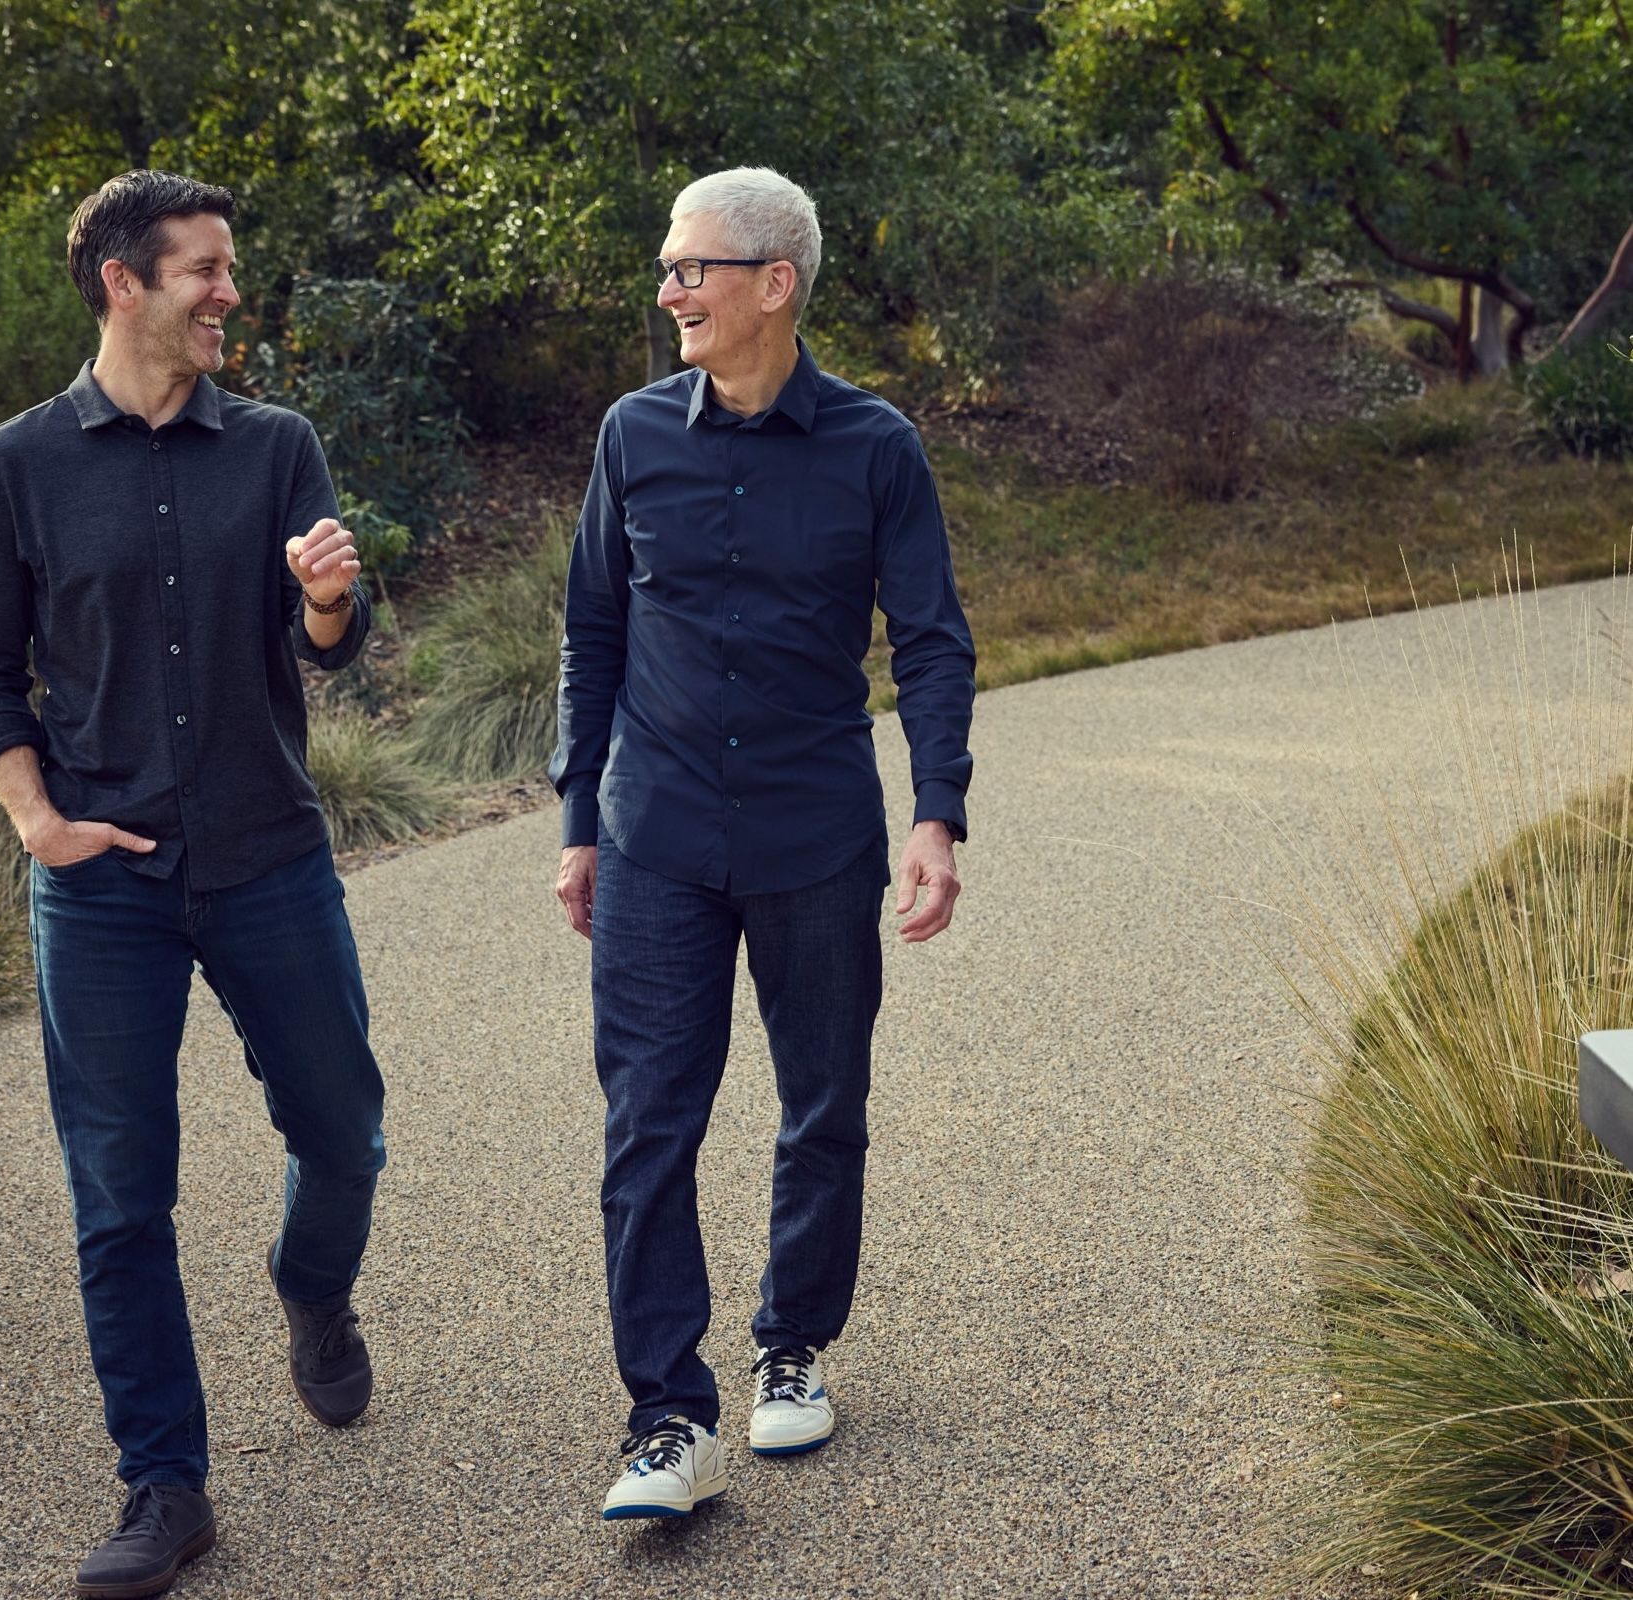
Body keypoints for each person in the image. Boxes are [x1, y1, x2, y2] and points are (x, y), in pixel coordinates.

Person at [0, 169, 387, 1599]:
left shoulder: (276, 447)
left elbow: (329, 640)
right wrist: (37, 822)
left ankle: (312, 1294)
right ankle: (165, 1486)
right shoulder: (10, 466)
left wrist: (326, 595)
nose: (228, 295)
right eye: (202, 269)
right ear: (121, 282)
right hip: (103, 886)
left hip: (267, 857)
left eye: (228, 268)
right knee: (119, 1198)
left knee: (344, 1135)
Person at [551, 166, 976, 1521]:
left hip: (812, 834)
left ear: (772, 284)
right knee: (646, 1126)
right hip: (657, 837)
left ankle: (791, 1345)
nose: (669, 291)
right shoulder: (631, 435)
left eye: (692, 270)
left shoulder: (873, 446)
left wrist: (934, 812)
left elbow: (930, 642)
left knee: (821, 1104)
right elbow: (593, 636)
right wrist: (577, 828)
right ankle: (663, 1421)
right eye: (667, 270)